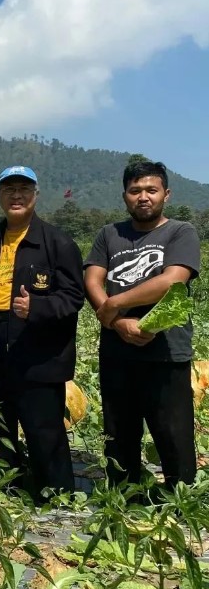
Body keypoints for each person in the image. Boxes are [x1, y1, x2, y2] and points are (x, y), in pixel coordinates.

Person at [0, 166, 84, 499]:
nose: (17, 196)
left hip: (38, 343)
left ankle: (56, 494)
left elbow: (74, 296)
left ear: (36, 195)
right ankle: (8, 490)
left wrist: (38, 308)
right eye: (9, 190)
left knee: (43, 425)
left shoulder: (57, 242)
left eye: (24, 189)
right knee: (0, 421)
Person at [84, 161, 200, 488]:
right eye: (135, 191)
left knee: (173, 436)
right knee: (119, 437)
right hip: (117, 352)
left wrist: (114, 304)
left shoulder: (180, 231)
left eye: (151, 190)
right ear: (125, 196)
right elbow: (92, 278)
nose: (143, 197)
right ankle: (124, 500)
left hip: (166, 352)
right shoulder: (109, 234)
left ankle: (180, 502)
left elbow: (172, 281)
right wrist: (119, 322)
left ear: (166, 194)